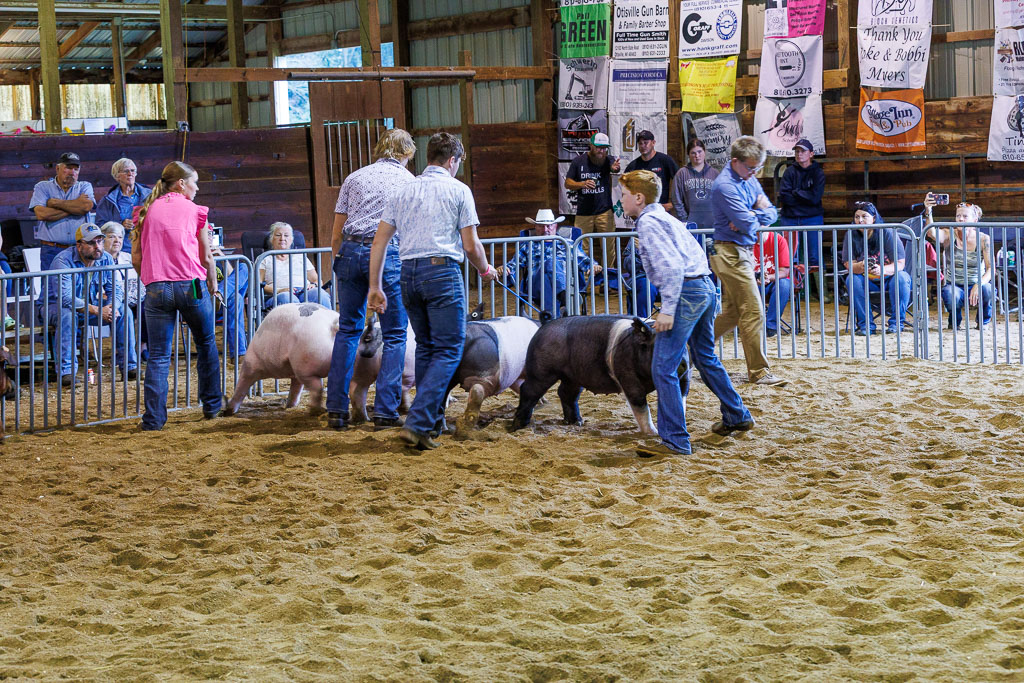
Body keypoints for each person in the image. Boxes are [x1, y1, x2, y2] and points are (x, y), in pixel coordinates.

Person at [366, 132, 497, 450]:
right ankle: (418, 421)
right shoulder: (458, 190)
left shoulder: (404, 190)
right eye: (458, 162)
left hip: (408, 274)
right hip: (442, 273)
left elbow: (379, 241)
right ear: (452, 160)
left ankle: (431, 423)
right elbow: (471, 245)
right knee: (450, 348)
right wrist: (485, 270)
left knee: (425, 347)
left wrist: (375, 286)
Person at [619, 170, 752, 458]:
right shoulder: (667, 218)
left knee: (663, 367)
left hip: (685, 291)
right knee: (704, 357)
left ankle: (675, 441)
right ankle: (737, 414)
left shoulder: (649, 222)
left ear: (639, 198)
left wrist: (668, 309)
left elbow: (671, 267)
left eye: (624, 196)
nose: (622, 201)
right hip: (703, 285)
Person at [326, 128, 416, 431]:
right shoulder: (409, 181)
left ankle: (336, 409)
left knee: (348, 330)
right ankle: (386, 410)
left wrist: (338, 262)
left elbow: (337, 231)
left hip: (350, 251)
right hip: (388, 253)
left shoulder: (355, 178)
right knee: (395, 334)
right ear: (407, 153)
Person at [131, 161, 221, 430]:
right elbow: (206, 256)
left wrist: (149, 279)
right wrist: (213, 284)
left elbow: (136, 257)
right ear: (181, 184)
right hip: (191, 284)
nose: (197, 188)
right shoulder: (195, 210)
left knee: (158, 355)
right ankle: (212, 406)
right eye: (194, 182)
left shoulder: (145, 211)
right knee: (206, 343)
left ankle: (153, 420)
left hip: (157, 287)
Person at [710, 136, 787, 386]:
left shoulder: (748, 179)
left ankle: (687, 351)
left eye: (758, 168)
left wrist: (752, 214)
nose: (755, 173)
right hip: (729, 253)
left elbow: (771, 213)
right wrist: (753, 216)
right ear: (735, 161)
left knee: (733, 314)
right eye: (752, 167)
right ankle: (759, 372)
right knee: (753, 310)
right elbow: (748, 224)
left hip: (741, 251)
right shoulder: (724, 186)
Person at [48, 223, 137, 386]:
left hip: (88, 306)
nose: (97, 246)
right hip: (53, 306)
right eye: (91, 243)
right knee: (67, 313)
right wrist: (98, 310)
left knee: (124, 311)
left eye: (100, 241)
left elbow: (115, 289)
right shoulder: (63, 260)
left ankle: (130, 367)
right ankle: (66, 373)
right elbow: (65, 298)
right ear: (79, 245)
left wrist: (111, 307)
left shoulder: (105, 258)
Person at [497, 209, 600, 319]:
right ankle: (564, 297)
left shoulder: (567, 244)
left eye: (549, 226)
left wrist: (593, 266)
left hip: (565, 282)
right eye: (541, 226)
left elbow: (583, 260)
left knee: (548, 274)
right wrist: (505, 268)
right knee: (550, 263)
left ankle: (552, 318)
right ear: (535, 227)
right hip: (536, 284)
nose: (545, 230)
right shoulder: (528, 245)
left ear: (555, 226)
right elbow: (514, 264)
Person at [842, 201, 912, 336]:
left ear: (874, 218)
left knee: (902, 278)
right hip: (867, 281)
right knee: (852, 279)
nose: (860, 220)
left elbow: (900, 263)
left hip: (889, 279)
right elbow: (849, 264)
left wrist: (882, 270)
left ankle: (896, 323)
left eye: (864, 216)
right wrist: (860, 266)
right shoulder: (850, 235)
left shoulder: (887, 232)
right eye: (857, 217)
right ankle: (866, 325)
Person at [923, 197, 993, 330]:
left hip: (976, 281)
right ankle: (955, 321)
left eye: (965, 216)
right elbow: (932, 233)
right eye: (958, 216)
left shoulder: (984, 239)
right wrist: (928, 210)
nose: (960, 219)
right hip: (954, 284)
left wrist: (978, 284)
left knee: (988, 289)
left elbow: (991, 268)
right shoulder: (950, 234)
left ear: (975, 220)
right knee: (950, 294)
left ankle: (983, 321)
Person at [29, 152, 96, 270]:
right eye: (68, 168)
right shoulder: (43, 187)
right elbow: (41, 214)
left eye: (76, 169)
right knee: (50, 282)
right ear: (57, 168)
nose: (72, 172)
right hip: (51, 249)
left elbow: (86, 207)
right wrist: (76, 207)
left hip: (79, 249)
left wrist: (55, 203)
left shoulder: (85, 186)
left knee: (80, 281)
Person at [564, 132, 621, 263]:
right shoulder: (578, 161)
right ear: (591, 146)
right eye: (598, 148)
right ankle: (584, 274)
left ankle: (608, 272)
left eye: (604, 148)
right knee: (582, 247)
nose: (602, 151)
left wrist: (615, 168)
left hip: (604, 211)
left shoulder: (608, 159)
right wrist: (582, 184)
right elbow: (567, 183)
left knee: (608, 247)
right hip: (583, 212)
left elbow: (614, 168)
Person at [778, 140, 826, 285]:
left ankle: (821, 292)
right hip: (791, 217)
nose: (799, 154)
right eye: (797, 151)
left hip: (811, 217)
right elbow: (784, 196)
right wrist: (805, 197)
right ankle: (792, 288)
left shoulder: (818, 173)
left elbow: (815, 197)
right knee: (788, 255)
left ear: (811, 154)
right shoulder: (789, 172)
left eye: (803, 151)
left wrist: (796, 192)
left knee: (815, 255)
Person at [258, 222, 331, 309]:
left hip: (304, 291)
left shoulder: (301, 257)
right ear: (271, 239)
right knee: (288, 298)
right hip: (279, 294)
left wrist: (314, 285)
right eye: (278, 235)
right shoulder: (264, 258)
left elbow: (317, 280)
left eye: (286, 235)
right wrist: (279, 290)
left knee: (319, 294)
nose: (282, 238)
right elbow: (259, 284)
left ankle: (329, 318)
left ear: (291, 239)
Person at [207, 230, 249, 357]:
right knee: (237, 299)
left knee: (244, 267)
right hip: (206, 303)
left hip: (223, 303)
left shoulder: (218, 256)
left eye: (210, 234)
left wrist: (223, 258)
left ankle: (220, 294)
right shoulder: (196, 256)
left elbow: (233, 278)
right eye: (206, 234)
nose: (209, 237)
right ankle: (238, 354)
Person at [95, 158, 150, 254]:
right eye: (126, 171)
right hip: (121, 250)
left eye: (132, 170)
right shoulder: (107, 200)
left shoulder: (150, 195)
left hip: (146, 247)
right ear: (117, 176)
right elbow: (100, 226)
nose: (130, 174)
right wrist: (120, 224)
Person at [671, 138, 719, 242]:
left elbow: (720, 199)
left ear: (704, 152)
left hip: (712, 224)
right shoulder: (682, 174)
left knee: (711, 251)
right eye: (693, 153)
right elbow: (676, 198)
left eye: (699, 152)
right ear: (688, 155)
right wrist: (685, 219)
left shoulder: (714, 173)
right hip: (691, 225)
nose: (697, 155)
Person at [623, 129, 678, 212]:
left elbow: (680, 181)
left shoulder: (665, 160)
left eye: (646, 143)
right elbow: (625, 189)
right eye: (640, 143)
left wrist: (673, 204)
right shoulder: (633, 166)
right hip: (642, 212)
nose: (643, 146)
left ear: (653, 143)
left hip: (661, 211)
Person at [752, 229, 793, 338]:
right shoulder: (744, 240)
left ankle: (771, 326)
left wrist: (768, 277)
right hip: (752, 280)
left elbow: (784, 271)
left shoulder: (778, 239)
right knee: (743, 286)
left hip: (773, 280)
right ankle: (752, 324)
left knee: (784, 284)